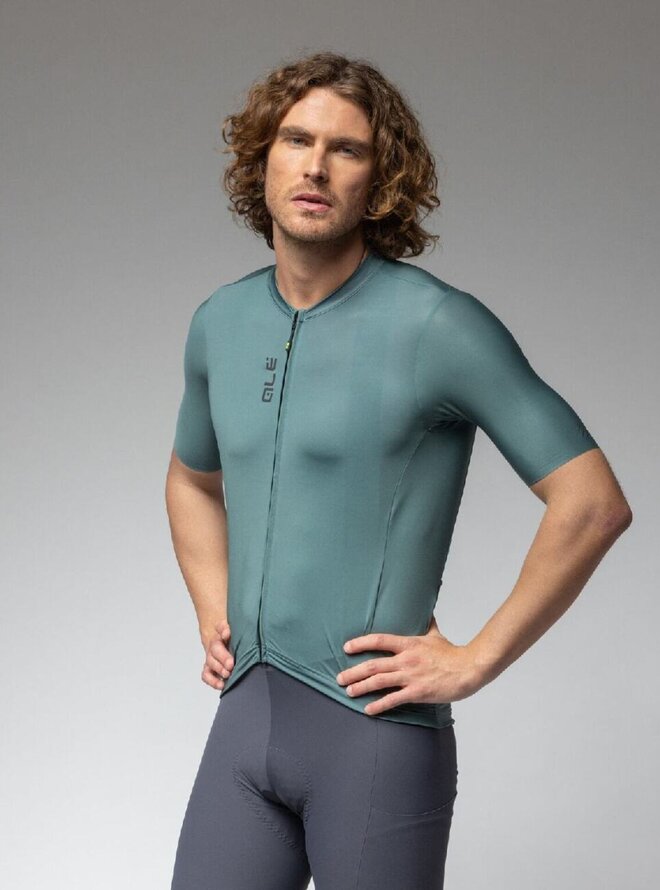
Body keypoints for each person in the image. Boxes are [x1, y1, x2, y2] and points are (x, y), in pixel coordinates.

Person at [165, 51, 632, 890]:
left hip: (373, 741)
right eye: (296, 140)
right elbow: (191, 480)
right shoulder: (220, 322)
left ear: (380, 179)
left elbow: (592, 501)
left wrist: (476, 659)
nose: (315, 166)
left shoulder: (438, 326)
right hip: (245, 729)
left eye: (346, 149)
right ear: (261, 159)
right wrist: (214, 609)